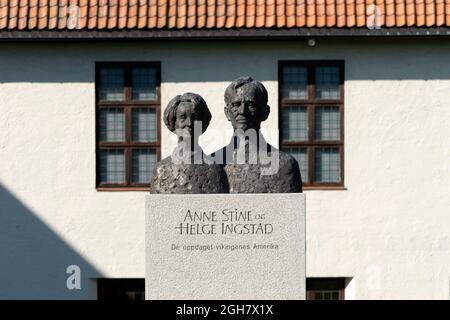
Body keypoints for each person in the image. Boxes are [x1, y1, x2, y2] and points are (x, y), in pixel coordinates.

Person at [210, 77, 302, 193]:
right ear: (227, 113)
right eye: (236, 104)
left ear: (265, 112)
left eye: (251, 104)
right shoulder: (213, 164)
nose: (243, 111)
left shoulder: (284, 165)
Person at [150, 93, 228, 193]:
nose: (189, 123)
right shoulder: (161, 170)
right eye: (183, 117)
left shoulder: (214, 170)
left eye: (195, 117)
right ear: (174, 123)